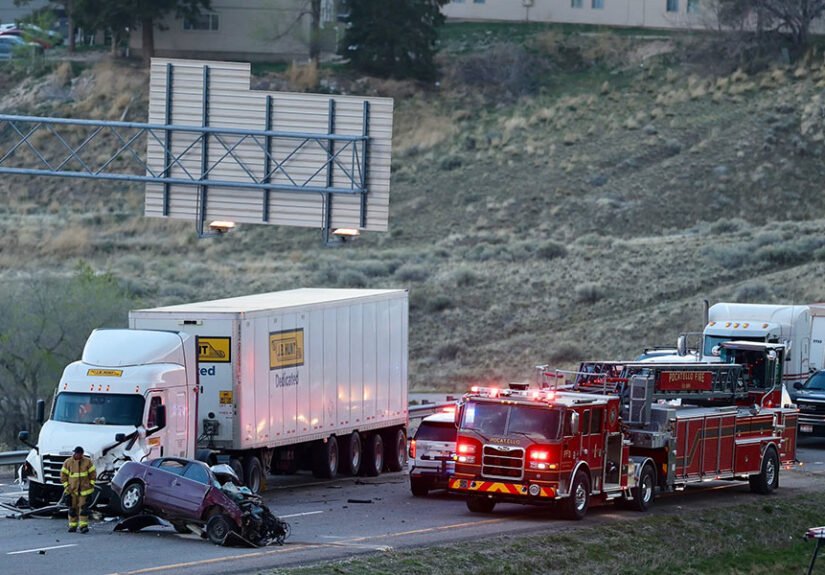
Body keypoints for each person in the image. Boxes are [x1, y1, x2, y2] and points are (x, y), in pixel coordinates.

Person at [60, 446, 96, 533]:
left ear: (82, 454)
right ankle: (73, 526)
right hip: (71, 491)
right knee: (72, 509)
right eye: (76, 453)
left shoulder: (87, 462)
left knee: (83, 509)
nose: (77, 455)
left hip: (84, 491)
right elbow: (63, 476)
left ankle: (83, 526)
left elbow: (93, 474)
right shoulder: (68, 462)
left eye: (79, 454)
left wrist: (91, 484)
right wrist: (67, 486)